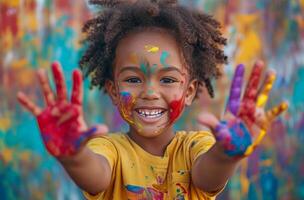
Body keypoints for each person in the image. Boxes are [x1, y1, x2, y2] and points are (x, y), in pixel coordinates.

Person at [17, 0, 288, 199]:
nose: (149, 92)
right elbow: (96, 174)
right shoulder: (109, 150)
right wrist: (74, 157)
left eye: (168, 80)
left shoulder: (197, 146)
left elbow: (208, 174)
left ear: (189, 91)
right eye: (133, 79)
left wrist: (228, 155)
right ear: (112, 90)